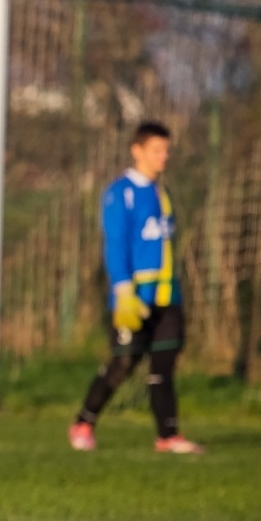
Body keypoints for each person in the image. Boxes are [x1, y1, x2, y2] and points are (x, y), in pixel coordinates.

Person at [69, 121, 204, 454]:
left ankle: (167, 436)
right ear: (137, 150)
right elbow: (115, 244)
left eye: (167, 150)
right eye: (157, 150)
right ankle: (84, 423)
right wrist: (123, 290)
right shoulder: (120, 192)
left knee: (163, 368)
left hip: (167, 296)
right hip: (133, 297)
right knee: (124, 363)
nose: (164, 157)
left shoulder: (163, 193)